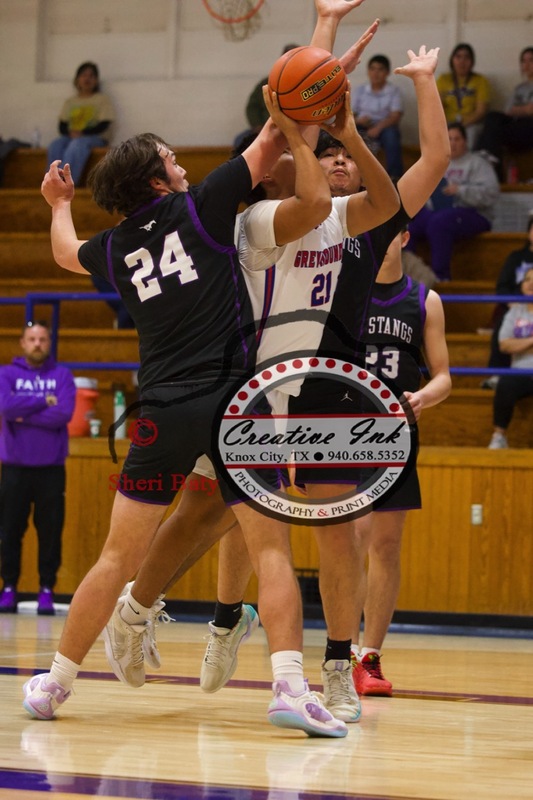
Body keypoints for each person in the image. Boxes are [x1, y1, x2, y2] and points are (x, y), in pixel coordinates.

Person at [22, 0, 371, 738]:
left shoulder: (114, 250)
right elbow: (285, 121)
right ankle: (287, 687)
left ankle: (53, 683)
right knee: (269, 544)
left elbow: (61, 251)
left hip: (162, 407)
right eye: (173, 160)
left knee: (118, 554)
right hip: (232, 400)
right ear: (157, 181)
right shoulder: (206, 208)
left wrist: (57, 202)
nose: (185, 165)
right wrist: (320, 36)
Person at [106, 43, 448, 724]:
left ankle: (334, 666)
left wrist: (408, 86)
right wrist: (307, 98)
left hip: (326, 389)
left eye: (338, 152)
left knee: (337, 536)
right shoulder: (244, 226)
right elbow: (294, 112)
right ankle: (185, 614)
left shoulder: (351, 221)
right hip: (248, 382)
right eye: (321, 152)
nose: (333, 158)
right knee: (206, 513)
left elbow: (426, 162)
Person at [350, 229, 451, 696]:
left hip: (396, 434)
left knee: (386, 547)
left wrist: (424, 396)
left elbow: (444, 376)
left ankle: (369, 657)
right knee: (353, 540)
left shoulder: (424, 300)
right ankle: (340, 653)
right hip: (344, 433)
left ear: (405, 235)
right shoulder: (343, 292)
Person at [0, 321, 76, 615]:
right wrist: (44, 401)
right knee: (9, 530)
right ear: (22, 342)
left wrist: (23, 413)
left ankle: (47, 589)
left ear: (49, 342)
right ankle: (9, 588)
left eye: (42, 339)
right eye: (32, 339)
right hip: (15, 468)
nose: (37, 344)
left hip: (51, 469)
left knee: (50, 532)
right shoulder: (7, 374)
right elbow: (6, 408)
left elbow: (63, 414)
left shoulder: (62, 376)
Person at [404, 122, 500, 281]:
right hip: (438, 211)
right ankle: (406, 275)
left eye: (457, 139)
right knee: (409, 221)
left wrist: (461, 190)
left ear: (465, 141)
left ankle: (441, 278)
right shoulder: (436, 164)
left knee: (439, 222)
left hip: (474, 213)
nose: (453, 143)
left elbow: (491, 194)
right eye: (449, 139)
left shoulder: (478, 163)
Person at [483, 217, 533, 388]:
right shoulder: (516, 257)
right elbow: (502, 286)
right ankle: (496, 374)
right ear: (528, 233)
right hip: (516, 305)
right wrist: (514, 303)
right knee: (503, 320)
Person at [47, 62, 115, 186]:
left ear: (96, 81)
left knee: (77, 144)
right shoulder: (71, 101)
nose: (87, 79)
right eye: (84, 75)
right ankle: (52, 182)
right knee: (56, 144)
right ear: (77, 79)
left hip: (95, 138)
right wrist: (71, 133)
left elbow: (104, 124)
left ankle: (66, 184)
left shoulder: (102, 99)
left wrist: (82, 133)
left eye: (91, 76)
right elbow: (62, 125)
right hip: (71, 137)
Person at [488, 266, 533, 449]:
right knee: (505, 383)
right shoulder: (515, 312)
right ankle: (499, 437)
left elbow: (511, 343)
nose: (531, 284)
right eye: (527, 279)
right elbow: (504, 344)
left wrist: (521, 343)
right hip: (520, 371)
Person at [352, 54, 404, 178]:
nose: (376, 73)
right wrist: (359, 120)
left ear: (387, 72)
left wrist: (378, 127)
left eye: (380, 69)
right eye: (372, 69)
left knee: (391, 136)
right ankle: (356, 174)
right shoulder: (360, 90)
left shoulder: (393, 91)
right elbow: (350, 114)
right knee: (351, 136)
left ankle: (395, 177)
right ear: (368, 71)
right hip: (363, 125)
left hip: (384, 126)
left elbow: (395, 116)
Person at [437, 42, 491, 149]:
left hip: (471, 124)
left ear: (472, 62)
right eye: (458, 57)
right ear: (452, 60)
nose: (462, 61)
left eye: (466, 57)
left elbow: (481, 111)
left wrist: (461, 126)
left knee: (469, 133)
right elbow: (436, 107)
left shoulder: (480, 81)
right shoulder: (443, 80)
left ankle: (466, 163)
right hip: (447, 124)